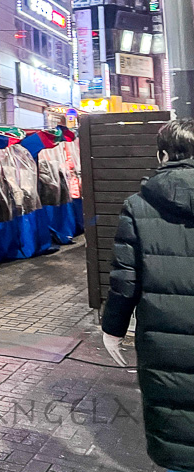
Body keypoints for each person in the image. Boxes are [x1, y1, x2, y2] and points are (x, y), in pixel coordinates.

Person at [102, 118, 194, 472]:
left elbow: (125, 281)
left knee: (175, 424)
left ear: (161, 155)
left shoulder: (138, 206)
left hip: (163, 341)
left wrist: (112, 329)